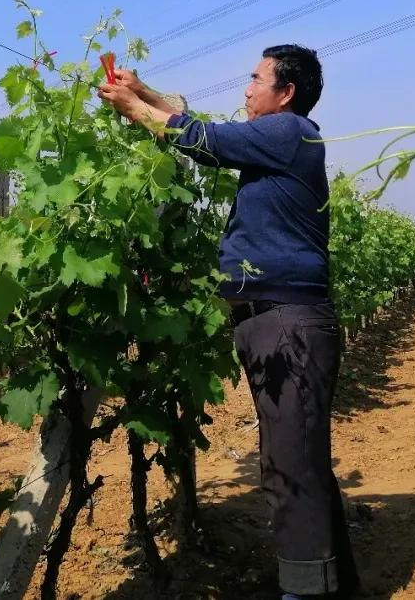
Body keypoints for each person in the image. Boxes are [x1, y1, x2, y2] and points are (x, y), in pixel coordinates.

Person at [99, 44, 361, 600]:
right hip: (275, 321)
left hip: (288, 323)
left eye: (255, 78)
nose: (246, 88)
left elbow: (206, 140)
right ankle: (331, 583)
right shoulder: (281, 142)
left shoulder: (290, 131)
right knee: (297, 457)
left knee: (291, 469)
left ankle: (306, 593)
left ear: (285, 93)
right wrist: (142, 93)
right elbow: (199, 127)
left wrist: (134, 109)